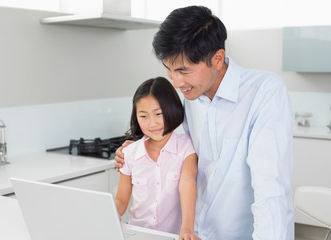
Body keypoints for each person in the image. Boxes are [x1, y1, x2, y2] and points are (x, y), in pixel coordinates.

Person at [115, 5, 294, 240]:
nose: (176, 83)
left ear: (217, 59)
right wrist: (138, 148)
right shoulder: (190, 97)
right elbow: (175, 149)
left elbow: (271, 190)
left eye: (183, 71)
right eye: (169, 71)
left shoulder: (264, 92)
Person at [114, 77, 200, 239]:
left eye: (158, 114)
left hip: (174, 236)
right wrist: (110, 216)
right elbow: (121, 200)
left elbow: (188, 182)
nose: (152, 123)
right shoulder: (129, 153)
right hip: (138, 235)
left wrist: (187, 228)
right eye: (143, 116)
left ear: (171, 109)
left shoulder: (186, 147)